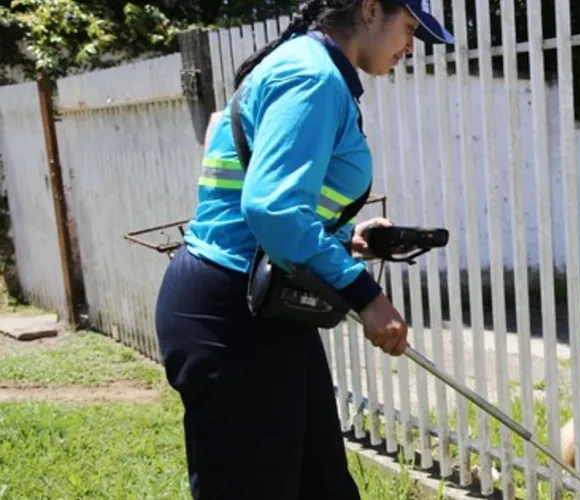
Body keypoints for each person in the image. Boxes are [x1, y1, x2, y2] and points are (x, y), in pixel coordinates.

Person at [153, 0, 455, 498]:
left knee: (322, 485)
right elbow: (273, 209)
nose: (409, 46)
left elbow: (277, 202)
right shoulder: (311, 77)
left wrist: (345, 238)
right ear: (371, 9)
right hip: (233, 315)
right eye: (408, 28)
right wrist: (367, 296)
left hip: (266, 304)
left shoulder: (313, 69)